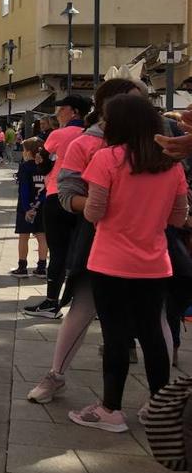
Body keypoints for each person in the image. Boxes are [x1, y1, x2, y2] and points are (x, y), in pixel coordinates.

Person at [26, 78, 149, 403]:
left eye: (138, 102)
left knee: (157, 313)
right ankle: (56, 376)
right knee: (84, 304)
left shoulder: (157, 142)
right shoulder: (89, 143)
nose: (133, 110)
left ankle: (161, 398)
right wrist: (106, 203)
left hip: (149, 241)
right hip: (100, 236)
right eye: (125, 102)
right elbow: (69, 195)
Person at [70, 94, 187, 432]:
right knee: (152, 334)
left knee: (116, 335)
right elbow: (179, 217)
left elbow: (95, 212)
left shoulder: (107, 159)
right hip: (154, 263)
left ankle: (111, 410)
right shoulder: (171, 164)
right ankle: (159, 407)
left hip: (110, 263)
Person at [25, 94, 91, 319]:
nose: (57, 114)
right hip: (87, 199)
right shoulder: (93, 135)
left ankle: (52, 302)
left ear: (73, 111)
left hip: (58, 195)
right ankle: (87, 304)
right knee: (84, 251)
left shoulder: (59, 134)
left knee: (59, 251)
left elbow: (41, 161)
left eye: (60, 110)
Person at [10, 138, 48, 278]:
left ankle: (22, 267)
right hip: (42, 206)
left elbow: (24, 189)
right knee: (42, 236)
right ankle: (42, 267)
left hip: (26, 207)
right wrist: (38, 204)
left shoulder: (25, 167)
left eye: (24, 150)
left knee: (23, 237)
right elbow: (47, 188)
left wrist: (27, 208)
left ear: (28, 152)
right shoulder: (46, 166)